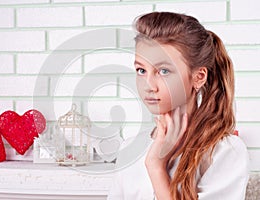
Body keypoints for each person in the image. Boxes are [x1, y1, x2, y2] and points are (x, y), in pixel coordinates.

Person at [107, 12, 249, 200]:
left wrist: (156, 166)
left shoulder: (226, 151)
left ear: (198, 77)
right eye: (141, 70)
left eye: (164, 71)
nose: (148, 85)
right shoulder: (130, 148)